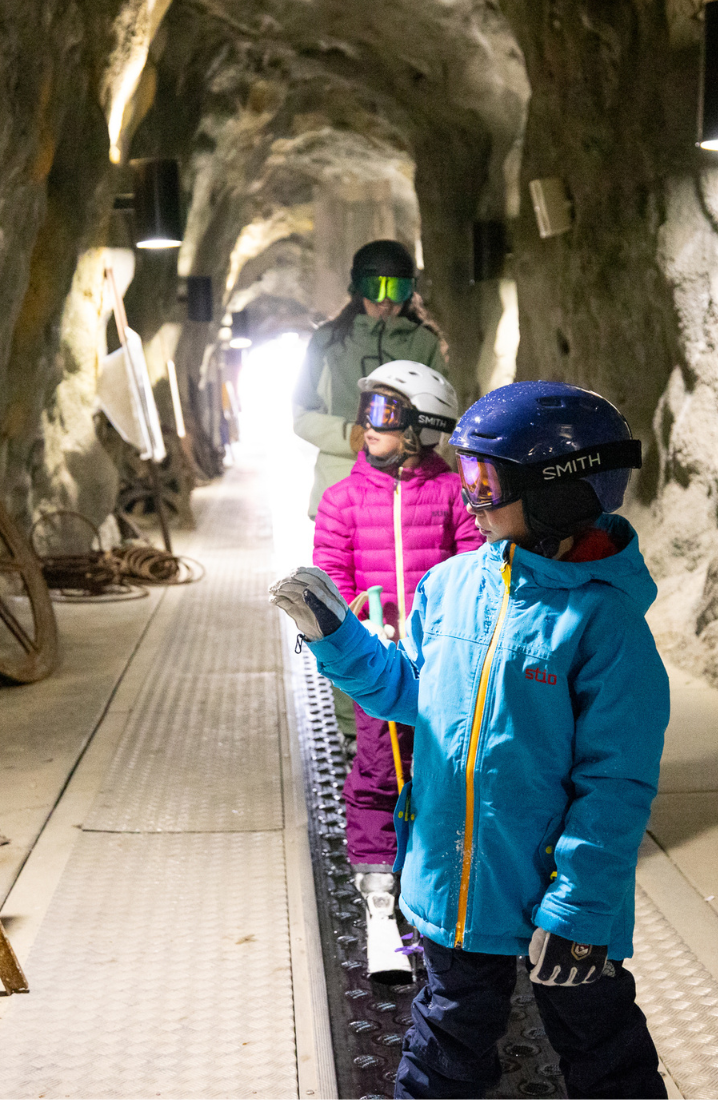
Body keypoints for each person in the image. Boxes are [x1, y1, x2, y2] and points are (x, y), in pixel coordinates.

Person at [270, 380, 670, 1099]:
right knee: (445, 1042)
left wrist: (579, 911)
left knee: (601, 1045)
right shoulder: (453, 584)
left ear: (556, 490)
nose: (469, 499)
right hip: (454, 889)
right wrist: (338, 639)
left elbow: (616, 787)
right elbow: (412, 692)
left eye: (486, 483)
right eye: (466, 478)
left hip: (556, 892)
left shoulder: (605, 627)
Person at [312, 360, 482, 911]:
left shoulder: (456, 494)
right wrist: (361, 625)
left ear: (420, 428)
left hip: (443, 658)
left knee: (449, 760)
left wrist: (452, 631)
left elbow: (474, 567)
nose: (369, 427)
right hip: (382, 660)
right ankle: (377, 872)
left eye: (385, 414)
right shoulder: (341, 501)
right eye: (366, 413)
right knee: (379, 765)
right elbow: (333, 574)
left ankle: (444, 862)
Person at [293, 239, 445, 517]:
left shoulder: (424, 344)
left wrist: (408, 443)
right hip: (341, 488)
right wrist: (353, 437)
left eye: (397, 289)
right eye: (375, 288)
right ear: (358, 289)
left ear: (410, 291)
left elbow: (440, 414)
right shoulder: (327, 343)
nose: (385, 301)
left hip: (407, 491)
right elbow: (302, 415)